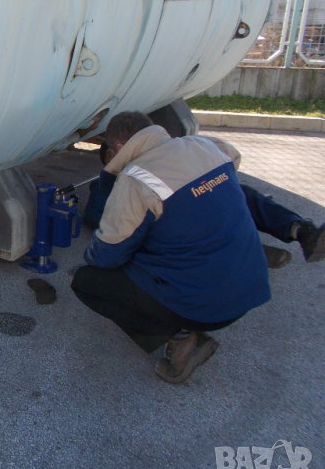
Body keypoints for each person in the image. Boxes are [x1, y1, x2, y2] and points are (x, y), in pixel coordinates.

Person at [71, 112, 274, 384]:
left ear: (118, 147)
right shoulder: (203, 145)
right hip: (252, 287)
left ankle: (182, 340)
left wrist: (93, 248)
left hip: (208, 308)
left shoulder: (136, 178)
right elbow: (231, 165)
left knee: (88, 281)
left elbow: (107, 255)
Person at [84, 144, 325, 268]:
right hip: (171, 227)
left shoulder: (161, 162)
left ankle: (300, 230)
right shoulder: (110, 186)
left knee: (237, 191)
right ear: (111, 158)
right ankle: (249, 250)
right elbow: (96, 217)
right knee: (181, 222)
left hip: (189, 206)